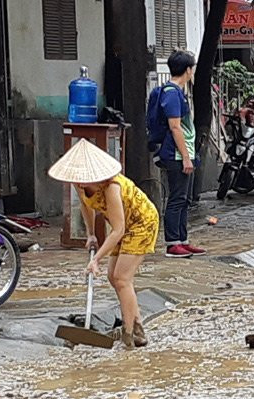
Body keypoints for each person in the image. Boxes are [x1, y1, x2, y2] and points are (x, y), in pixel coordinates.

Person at [48, 139, 160, 349]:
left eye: (86, 179)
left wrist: (96, 259)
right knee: (113, 276)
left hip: (141, 222)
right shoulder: (80, 184)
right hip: (121, 224)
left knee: (121, 278)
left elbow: (118, 229)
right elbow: (86, 205)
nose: (81, 184)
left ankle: (128, 334)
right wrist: (91, 234)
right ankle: (137, 327)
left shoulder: (112, 187)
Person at [154, 50, 206, 258]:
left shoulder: (177, 92)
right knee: (177, 198)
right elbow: (175, 127)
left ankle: (182, 240)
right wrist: (185, 156)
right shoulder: (172, 93)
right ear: (188, 70)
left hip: (184, 153)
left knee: (184, 199)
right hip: (176, 155)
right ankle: (172, 242)